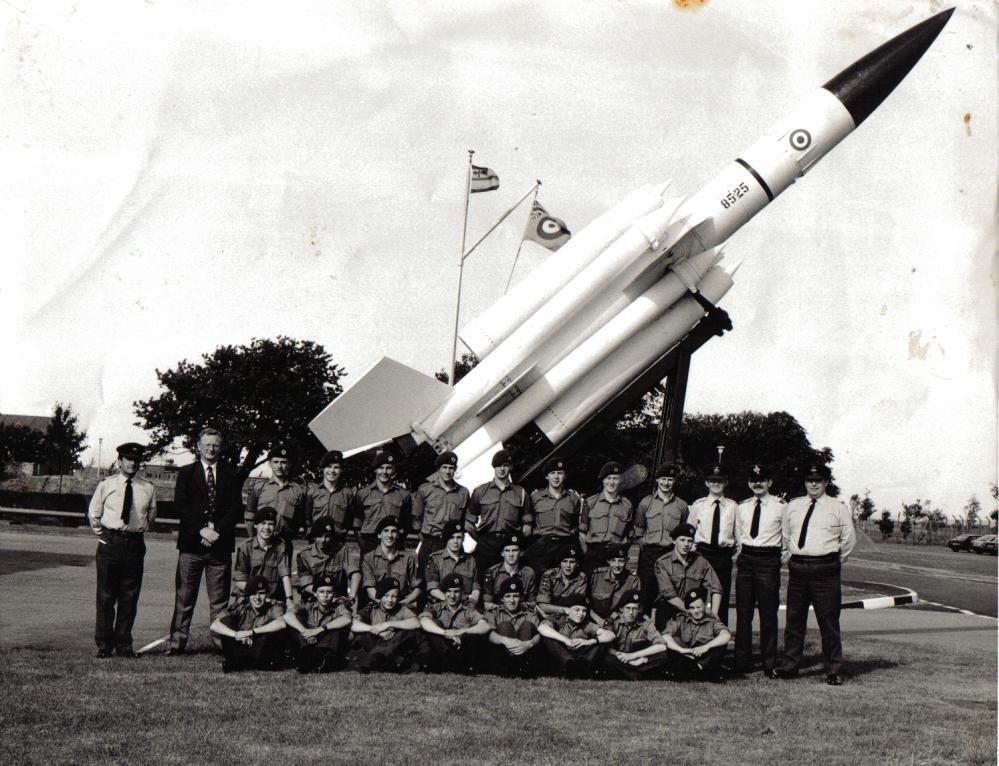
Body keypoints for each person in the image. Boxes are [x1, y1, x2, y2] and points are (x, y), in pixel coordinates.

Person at [777, 464, 856, 686]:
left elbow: (848, 540)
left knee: (828, 621)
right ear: (805, 482)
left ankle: (833, 669)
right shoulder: (793, 506)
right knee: (794, 619)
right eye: (810, 480)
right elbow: (786, 535)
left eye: (818, 480)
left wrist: (831, 560)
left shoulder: (838, 507)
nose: (813, 484)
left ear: (825, 483)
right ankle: (790, 666)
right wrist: (792, 556)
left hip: (826, 570)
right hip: (799, 568)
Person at [167, 428, 242, 655]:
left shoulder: (230, 474)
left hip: (219, 547)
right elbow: (181, 505)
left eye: (215, 445)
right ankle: (177, 645)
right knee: (184, 597)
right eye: (207, 445)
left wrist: (215, 531)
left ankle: (220, 644)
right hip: (191, 546)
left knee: (219, 601)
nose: (211, 449)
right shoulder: (187, 473)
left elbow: (235, 508)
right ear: (198, 446)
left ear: (220, 448)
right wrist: (201, 529)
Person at [88, 442, 158, 658]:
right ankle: (104, 645)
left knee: (129, 596)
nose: (133, 463)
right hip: (111, 542)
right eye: (129, 459)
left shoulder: (147, 487)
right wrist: (104, 536)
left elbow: (152, 516)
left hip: (134, 544)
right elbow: (94, 513)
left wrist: (137, 532)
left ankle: (124, 644)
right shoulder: (107, 485)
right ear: (120, 461)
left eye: (137, 460)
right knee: (106, 596)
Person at [734, 463, 786, 676]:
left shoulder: (781, 506)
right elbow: (738, 535)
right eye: (753, 480)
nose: (757, 483)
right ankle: (742, 663)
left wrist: (778, 559)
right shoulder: (742, 507)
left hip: (768, 560)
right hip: (746, 559)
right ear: (749, 483)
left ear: (769, 483)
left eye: (762, 480)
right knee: (743, 614)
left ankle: (769, 664)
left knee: (768, 614)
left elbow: (787, 536)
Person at [633, 462, 688, 612]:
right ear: (657, 480)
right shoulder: (646, 503)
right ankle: (644, 632)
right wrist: (647, 548)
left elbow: (683, 533)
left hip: (670, 554)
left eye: (670, 479)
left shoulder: (681, 506)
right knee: (645, 596)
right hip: (649, 555)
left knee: (669, 596)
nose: (666, 483)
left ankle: (665, 632)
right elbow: (638, 530)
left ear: (674, 481)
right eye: (663, 479)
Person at [688, 465, 737, 624]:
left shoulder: (733, 506)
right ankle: (696, 636)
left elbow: (739, 535)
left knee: (721, 598)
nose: (716, 484)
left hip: (723, 555)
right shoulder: (698, 505)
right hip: (702, 554)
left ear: (726, 483)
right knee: (697, 597)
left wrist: (733, 554)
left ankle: (719, 640)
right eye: (712, 481)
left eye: (720, 481)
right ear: (706, 483)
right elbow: (690, 531)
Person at [467, 449, 532, 571]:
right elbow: (469, 522)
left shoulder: (521, 493)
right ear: (494, 467)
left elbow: (527, 527)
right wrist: (481, 539)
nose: (502, 469)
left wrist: (516, 542)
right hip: (486, 544)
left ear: (511, 467)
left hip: (510, 544)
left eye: (505, 465)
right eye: (498, 466)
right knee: (483, 579)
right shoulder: (480, 491)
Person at [244, 444, 308, 565]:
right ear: (270, 463)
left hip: (284, 543)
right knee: (259, 579)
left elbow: (298, 519)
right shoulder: (259, 487)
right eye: (276, 462)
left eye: (283, 462)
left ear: (289, 464)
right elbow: (249, 515)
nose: (279, 466)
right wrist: (254, 539)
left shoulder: (297, 490)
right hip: (261, 542)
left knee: (283, 580)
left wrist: (288, 536)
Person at [209, 574, 287, 672]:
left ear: (267, 594)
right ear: (248, 595)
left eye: (261, 593)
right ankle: (242, 661)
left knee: (268, 636)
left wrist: (251, 632)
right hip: (243, 643)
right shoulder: (241, 606)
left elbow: (281, 623)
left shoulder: (274, 606)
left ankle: (241, 662)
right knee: (227, 627)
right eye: (254, 593)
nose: (257, 597)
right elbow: (215, 624)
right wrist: (237, 634)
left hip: (260, 648)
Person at [653, 522, 722, 630]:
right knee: (668, 642)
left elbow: (716, 587)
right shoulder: (662, 563)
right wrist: (691, 611)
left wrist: (713, 612)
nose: (686, 544)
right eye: (682, 540)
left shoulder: (701, 561)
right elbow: (670, 595)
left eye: (690, 541)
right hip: (670, 610)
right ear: (674, 540)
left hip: (695, 609)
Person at [351, 577, 427, 673]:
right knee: (362, 634)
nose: (390, 600)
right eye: (386, 596)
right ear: (380, 596)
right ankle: (379, 661)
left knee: (408, 633)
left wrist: (387, 624)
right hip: (375, 643)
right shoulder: (371, 608)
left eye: (394, 596)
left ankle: (372, 661)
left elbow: (416, 623)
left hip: (394, 648)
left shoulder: (402, 609)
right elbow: (353, 623)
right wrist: (374, 629)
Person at [411, 451, 470, 573]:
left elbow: (464, 520)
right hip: (430, 542)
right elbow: (417, 517)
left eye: (451, 468)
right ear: (438, 469)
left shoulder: (463, 493)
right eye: (444, 467)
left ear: (455, 470)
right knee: (425, 579)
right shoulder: (425, 490)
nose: (448, 471)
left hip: (453, 543)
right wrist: (424, 538)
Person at [419, 573, 491, 673]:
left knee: (474, 632)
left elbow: (485, 626)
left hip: (461, 652)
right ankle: (449, 662)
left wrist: (461, 632)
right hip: (442, 653)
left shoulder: (468, 610)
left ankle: (461, 665)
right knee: (435, 623)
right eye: (449, 591)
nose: (452, 596)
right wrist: (445, 633)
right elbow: (424, 621)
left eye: (456, 592)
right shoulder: (436, 607)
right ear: (443, 593)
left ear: (462, 593)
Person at [522, 458, 582, 575]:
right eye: (552, 473)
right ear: (546, 476)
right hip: (542, 546)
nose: (556, 477)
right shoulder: (535, 498)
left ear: (564, 476)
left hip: (565, 545)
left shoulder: (573, 499)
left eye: (560, 473)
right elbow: (528, 524)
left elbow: (576, 524)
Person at [282, 573, 353, 673]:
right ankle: (304, 660)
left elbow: (347, 619)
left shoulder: (338, 607)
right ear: (315, 593)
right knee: (295, 622)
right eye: (321, 591)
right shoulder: (308, 605)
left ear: (334, 594)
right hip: (308, 643)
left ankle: (324, 662)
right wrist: (305, 632)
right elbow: (287, 615)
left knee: (335, 629)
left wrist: (317, 630)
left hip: (326, 647)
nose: (325, 595)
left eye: (329, 592)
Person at [662, 588, 732, 681]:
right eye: (692, 608)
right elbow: (665, 636)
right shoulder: (681, 619)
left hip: (704, 656)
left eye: (699, 607)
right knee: (671, 641)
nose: (696, 611)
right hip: (686, 655)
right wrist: (681, 650)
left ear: (704, 606)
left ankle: (694, 669)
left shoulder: (712, 621)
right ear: (688, 609)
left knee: (720, 645)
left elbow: (726, 635)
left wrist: (706, 647)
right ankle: (700, 673)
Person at [537, 594, 615, 678]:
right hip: (560, 659)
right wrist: (566, 640)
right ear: (568, 610)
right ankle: (569, 664)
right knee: (547, 637)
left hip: (578, 657)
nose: (581, 614)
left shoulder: (586, 624)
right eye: (577, 610)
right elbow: (542, 628)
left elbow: (611, 635)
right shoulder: (559, 619)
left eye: (584, 611)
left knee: (602, 641)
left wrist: (589, 641)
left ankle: (581, 667)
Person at [578, 461, 634, 574]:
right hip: (594, 554)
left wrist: (621, 551)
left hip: (616, 555)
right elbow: (582, 532)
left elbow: (629, 535)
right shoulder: (590, 503)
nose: (611, 482)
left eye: (615, 478)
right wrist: (587, 553)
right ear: (603, 480)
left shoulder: (627, 505)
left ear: (621, 480)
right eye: (608, 478)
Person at [353, 449, 412, 554]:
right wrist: (364, 547)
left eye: (388, 468)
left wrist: (398, 543)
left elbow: (406, 524)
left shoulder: (403, 495)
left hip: (393, 542)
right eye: (381, 468)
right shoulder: (363, 494)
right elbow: (357, 524)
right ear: (375, 470)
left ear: (393, 469)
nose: (384, 472)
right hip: (369, 542)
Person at [602, 589, 670, 680]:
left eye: (634, 609)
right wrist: (629, 661)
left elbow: (662, 646)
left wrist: (633, 656)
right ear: (621, 609)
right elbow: (605, 646)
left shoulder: (645, 622)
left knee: (662, 656)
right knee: (606, 658)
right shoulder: (613, 621)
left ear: (640, 609)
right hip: (620, 658)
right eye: (628, 608)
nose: (631, 612)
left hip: (639, 659)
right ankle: (637, 674)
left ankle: (628, 674)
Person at [233, 506, 293, 604]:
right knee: (222, 618)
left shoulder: (280, 546)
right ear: (255, 525)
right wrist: (260, 596)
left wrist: (289, 599)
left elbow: (285, 576)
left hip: (272, 600)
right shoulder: (245, 547)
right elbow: (239, 581)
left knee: (287, 616)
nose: (267, 528)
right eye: (263, 523)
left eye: (271, 524)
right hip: (248, 598)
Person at [484, 578, 542, 677]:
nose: (512, 600)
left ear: (521, 598)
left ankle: (521, 666)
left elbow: (540, 634)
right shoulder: (493, 613)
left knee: (527, 625)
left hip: (525, 657)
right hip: (503, 659)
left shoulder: (529, 614)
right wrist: (504, 640)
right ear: (502, 599)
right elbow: (488, 634)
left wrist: (530, 643)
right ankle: (511, 666)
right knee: (504, 625)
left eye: (516, 596)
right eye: (508, 596)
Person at [360, 516, 423, 608]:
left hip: (401, 605)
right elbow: (370, 589)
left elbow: (417, 587)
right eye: (386, 531)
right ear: (379, 535)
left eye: (393, 531)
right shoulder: (369, 558)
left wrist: (404, 603)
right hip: (377, 605)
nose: (389, 535)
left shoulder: (408, 557)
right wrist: (384, 604)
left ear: (397, 535)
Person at [294, 519, 357, 604]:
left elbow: (355, 574)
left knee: (349, 617)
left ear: (331, 537)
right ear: (314, 536)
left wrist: (351, 596)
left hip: (337, 601)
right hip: (313, 600)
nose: (323, 540)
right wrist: (325, 596)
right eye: (319, 536)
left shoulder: (342, 551)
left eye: (327, 536)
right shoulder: (304, 555)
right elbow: (306, 585)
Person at [305, 450, 355, 547]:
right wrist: (311, 535)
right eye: (329, 466)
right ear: (323, 469)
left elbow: (349, 519)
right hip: (317, 542)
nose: (332, 471)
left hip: (337, 542)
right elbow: (307, 519)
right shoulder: (312, 492)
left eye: (336, 467)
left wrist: (343, 532)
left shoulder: (347, 493)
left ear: (341, 470)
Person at [425, 520, 480, 604]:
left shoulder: (471, 560)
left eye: (458, 537)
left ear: (463, 539)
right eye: (452, 537)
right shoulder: (435, 559)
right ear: (446, 538)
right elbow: (432, 588)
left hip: (466, 606)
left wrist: (472, 602)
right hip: (442, 605)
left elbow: (476, 588)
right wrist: (451, 601)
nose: (455, 541)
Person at [481, 532, 537, 609]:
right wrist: (507, 609)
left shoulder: (528, 573)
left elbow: (533, 603)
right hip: (498, 614)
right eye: (507, 550)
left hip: (522, 614)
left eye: (515, 550)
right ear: (502, 553)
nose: (511, 554)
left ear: (521, 553)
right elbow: (487, 604)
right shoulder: (492, 572)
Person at [588, 543, 641, 621]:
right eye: (613, 560)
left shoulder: (633, 580)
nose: (617, 565)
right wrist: (598, 621)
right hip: (594, 619)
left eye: (621, 561)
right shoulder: (596, 576)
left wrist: (611, 621)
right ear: (608, 561)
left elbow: (632, 606)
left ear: (626, 561)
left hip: (618, 621)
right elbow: (586, 602)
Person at [535, 546, 589, 618]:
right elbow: (542, 606)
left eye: (572, 562)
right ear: (560, 563)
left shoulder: (581, 578)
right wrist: (565, 610)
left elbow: (578, 607)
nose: (568, 565)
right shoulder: (549, 575)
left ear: (577, 564)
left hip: (571, 618)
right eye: (565, 561)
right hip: (549, 616)